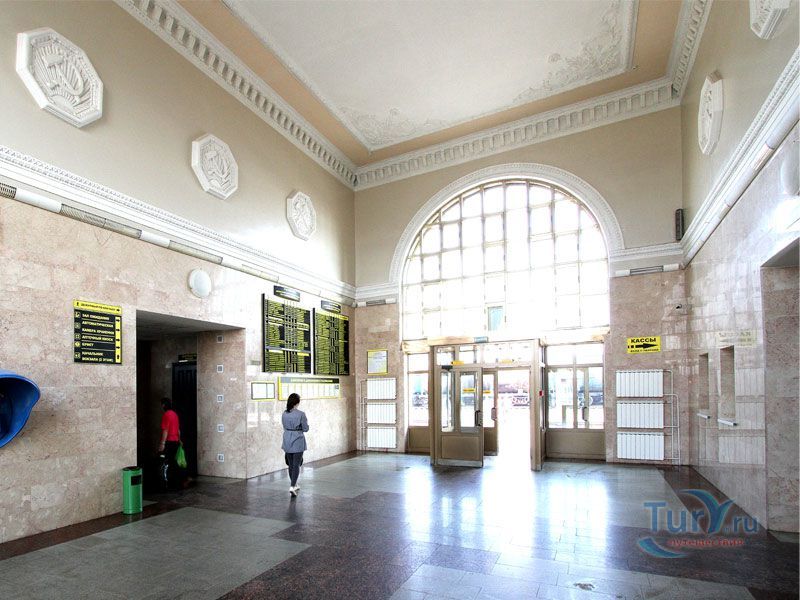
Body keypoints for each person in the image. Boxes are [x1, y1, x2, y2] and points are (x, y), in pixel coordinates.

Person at [281, 393, 309, 497]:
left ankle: (294, 484)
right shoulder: (301, 414)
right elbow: (306, 428)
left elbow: (284, 426)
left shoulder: (284, 413)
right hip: (297, 440)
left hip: (287, 439)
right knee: (297, 464)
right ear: (297, 402)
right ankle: (292, 486)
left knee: (291, 464)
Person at [158, 397, 181, 490]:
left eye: (161, 405)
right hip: (176, 441)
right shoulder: (175, 414)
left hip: (169, 442)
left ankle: (166, 482)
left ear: (164, 405)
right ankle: (175, 483)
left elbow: (165, 430)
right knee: (173, 462)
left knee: (165, 462)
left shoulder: (166, 415)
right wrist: (180, 440)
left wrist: (162, 443)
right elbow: (178, 430)